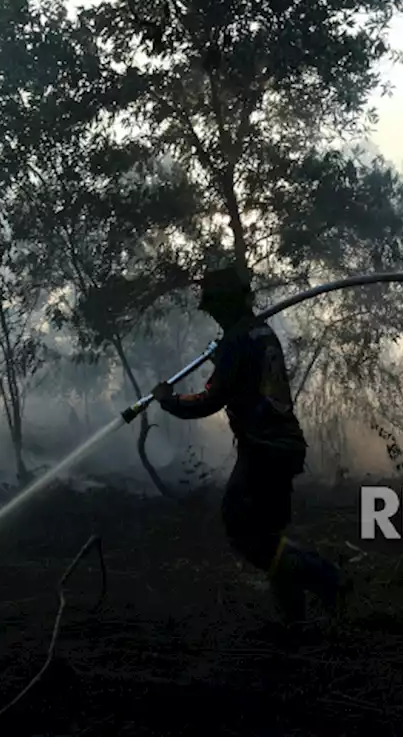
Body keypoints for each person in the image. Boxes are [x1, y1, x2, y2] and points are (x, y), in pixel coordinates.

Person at [152, 265, 349, 627]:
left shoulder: (238, 342)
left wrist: (169, 400)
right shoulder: (260, 334)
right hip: (282, 445)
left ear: (227, 303)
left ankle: (325, 576)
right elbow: (242, 380)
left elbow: (209, 400)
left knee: (242, 528)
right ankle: (294, 623)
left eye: (213, 305)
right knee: (269, 537)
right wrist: (223, 357)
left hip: (264, 448)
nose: (209, 311)